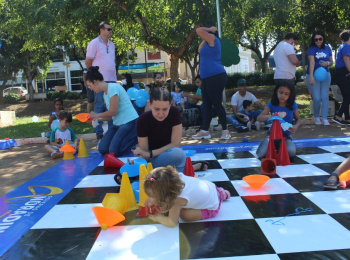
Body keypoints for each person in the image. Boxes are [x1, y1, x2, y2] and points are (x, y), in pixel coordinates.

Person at [132, 87, 208, 173]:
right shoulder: (143, 120)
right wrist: (147, 156)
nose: (161, 114)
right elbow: (144, 154)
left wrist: (151, 153)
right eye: (156, 109)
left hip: (167, 154)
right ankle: (184, 170)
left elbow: (175, 144)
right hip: (152, 161)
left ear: (170, 104)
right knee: (177, 155)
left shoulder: (174, 113)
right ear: (149, 104)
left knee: (178, 153)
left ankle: (172, 173)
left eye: (165, 109)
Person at [143, 166, 231, 227]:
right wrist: (155, 199)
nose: (153, 197)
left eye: (154, 195)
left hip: (213, 205)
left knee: (185, 215)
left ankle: (221, 197)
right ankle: (220, 192)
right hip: (211, 186)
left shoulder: (175, 200)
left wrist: (159, 219)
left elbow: (172, 223)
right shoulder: (176, 178)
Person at [86, 66, 138, 157]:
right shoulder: (105, 95)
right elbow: (112, 116)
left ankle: (136, 138)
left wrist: (96, 115)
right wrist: (96, 119)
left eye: (90, 86)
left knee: (114, 151)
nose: (91, 89)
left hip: (129, 122)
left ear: (95, 82)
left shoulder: (113, 88)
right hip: (117, 124)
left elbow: (113, 111)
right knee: (103, 149)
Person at [192, 26, 230, 140]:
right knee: (206, 105)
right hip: (206, 78)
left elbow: (198, 30)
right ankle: (205, 131)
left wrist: (209, 29)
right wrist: (205, 37)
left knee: (217, 104)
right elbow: (199, 49)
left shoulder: (214, 39)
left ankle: (225, 131)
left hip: (216, 76)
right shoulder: (207, 44)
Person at [84, 22, 116, 140]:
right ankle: (99, 133)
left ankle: (112, 133)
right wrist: (92, 76)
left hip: (112, 81)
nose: (110, 31)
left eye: (111, 29)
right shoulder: (94, 43)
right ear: (101, 30)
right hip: (99, 81)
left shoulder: (112, 45)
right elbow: (88, 61)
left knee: (111, 107)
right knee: (99, 105)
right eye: (108, 29)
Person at [256, 80, 301, 159]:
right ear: (276, 92)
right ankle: (271, 148)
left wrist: (296, 126)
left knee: (291, 153)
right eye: (281, 92)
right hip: (271, 135)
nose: (283, 96)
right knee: (260, 154)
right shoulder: (272, 104)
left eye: (286, 94)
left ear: (290, 95)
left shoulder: (293, 105)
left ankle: (278, 149)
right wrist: (271, 116)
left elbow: (299, 119)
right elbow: (259, 117)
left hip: (286, 136)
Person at [306, 30, 333, 126]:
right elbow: (312, 62)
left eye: (320, 39)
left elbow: (331, 61)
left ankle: (325, 118)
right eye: (316, 39)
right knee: (317, 98)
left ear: (323, 39)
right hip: (313, 75)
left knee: (324, 97)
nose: (318, 41)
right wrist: (311, 76)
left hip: (325, 75)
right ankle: (317, 116)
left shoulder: (327, 48)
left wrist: (328, 63)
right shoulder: (311, 48)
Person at [333, 30, 350, 125]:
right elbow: (346, 59)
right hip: (343, 73)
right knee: (348, 96)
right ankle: (338, 116)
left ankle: (347, 118)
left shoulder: (342, 46)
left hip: (340, 74)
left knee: (346, 96)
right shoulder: (347, 46)